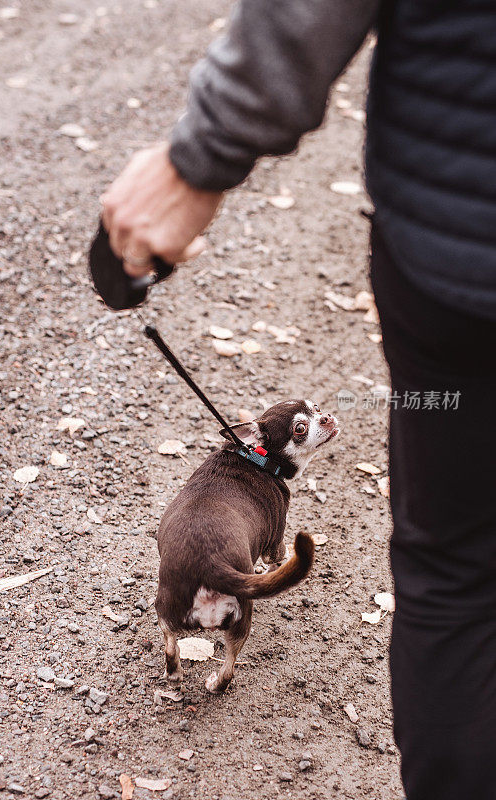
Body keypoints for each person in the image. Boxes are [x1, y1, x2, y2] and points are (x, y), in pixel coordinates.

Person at [101, 2, 496, 798]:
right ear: (279, 440)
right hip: (455, 253)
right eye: (310, 424)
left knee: (454, 574)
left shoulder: (255, 471)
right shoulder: (262, 487)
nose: (325, 427)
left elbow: (302, 23)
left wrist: (198, 159)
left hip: (456, 251)